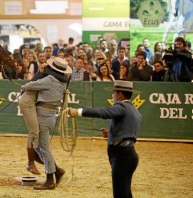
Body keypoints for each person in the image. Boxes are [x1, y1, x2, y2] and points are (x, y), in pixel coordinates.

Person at [68, 80, 142, 198]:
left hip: (122, 156)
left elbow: (103, 112)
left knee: (120, 194)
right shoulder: (135, 111)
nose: (112, 96)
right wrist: (110, 134)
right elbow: (128, 131)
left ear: (119, 94)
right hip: (129, 155)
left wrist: (78, 111)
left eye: (113, 93)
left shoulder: (121, 106)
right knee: (125, 192)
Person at [19, 57, 71, 190]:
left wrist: (23, 86)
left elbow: (31, 85)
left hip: (43, 115)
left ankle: (50, 180)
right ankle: (57, 171)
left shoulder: (50, 80)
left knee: (43, 148)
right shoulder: (62, 83)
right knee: (38, 147)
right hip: (50, 115)